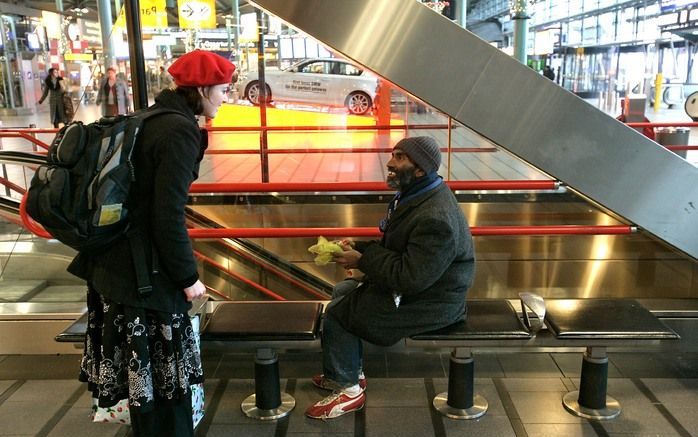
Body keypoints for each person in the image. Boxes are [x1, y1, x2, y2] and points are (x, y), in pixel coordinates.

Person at [69, 50, 235, 436]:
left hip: (114, 266)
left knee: (145, 387)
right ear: (204, 89)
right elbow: (166, 216)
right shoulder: (178, 130)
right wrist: (187, 276)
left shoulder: (149, 118)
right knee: (165, 386)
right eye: (224, 90)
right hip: (145, 278)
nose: (226, 98)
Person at [305, 136, 475, 419]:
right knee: (343, 291)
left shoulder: (435, 217)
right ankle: (349, 372)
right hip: (423, 291)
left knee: (337, 313)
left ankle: (349, 392)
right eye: (393, 154)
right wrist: (359, 248)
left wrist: (363, 259)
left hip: (433, 303)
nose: (390, 162)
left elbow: (410, 277)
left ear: (420, 169)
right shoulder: (419, 194)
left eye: (399, 157)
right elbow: (403, 251)